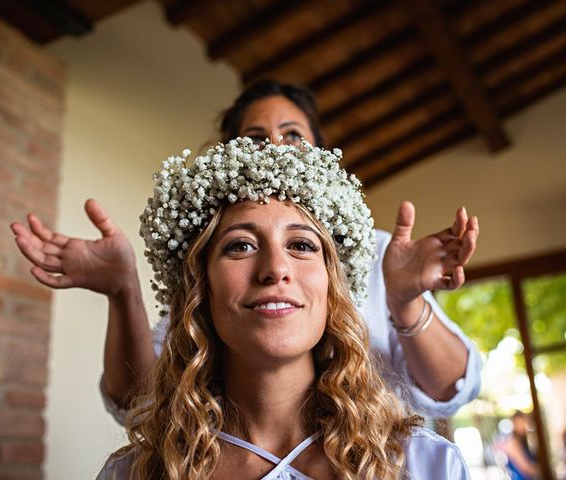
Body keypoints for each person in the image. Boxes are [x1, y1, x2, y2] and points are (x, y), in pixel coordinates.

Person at [10, 80, 482, 425]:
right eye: (256, 138)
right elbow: (142, 402)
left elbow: (450, 390)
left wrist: (405, 300)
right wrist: (123, 291)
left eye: (292, 134)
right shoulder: (214, 261)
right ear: (230, 153)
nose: (275, 146)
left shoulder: (380, 253)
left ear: (320, 150)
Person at [96, 138, 471, 478]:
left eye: (302, 246)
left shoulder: (424, 465)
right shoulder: (136, 473)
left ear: (332, 285)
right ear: (201, 287)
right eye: (240, 245)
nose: (276, 269)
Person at [500, 411, 540, 480]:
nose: (524, 426)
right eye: (521, 423)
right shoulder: (512, 444)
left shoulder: (525, 442)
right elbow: (526, 468)